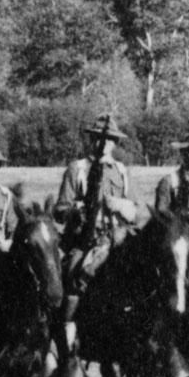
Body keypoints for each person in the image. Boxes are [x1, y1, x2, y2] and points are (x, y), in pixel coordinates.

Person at [53, 114, 143, 280]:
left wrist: (123, 206)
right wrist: (75, 213)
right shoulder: (77, 169)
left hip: (119, 239)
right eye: (98, 138)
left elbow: (137, 216)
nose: (103, 143)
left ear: (115, 142)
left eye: (109, 139)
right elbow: (59, 210)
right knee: (76, 277)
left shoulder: (122, 171)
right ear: (91, 139)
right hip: (85, 240)